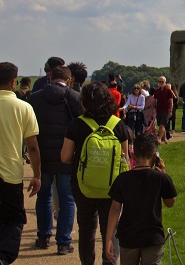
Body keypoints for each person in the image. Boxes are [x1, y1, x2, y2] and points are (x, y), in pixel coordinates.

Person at [61, 82, 130, 265]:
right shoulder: (118, 125)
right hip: (112, 186)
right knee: (110, 228)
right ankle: (109, 261)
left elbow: (65, 157)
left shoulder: (76, 124)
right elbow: (125, 161)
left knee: (86, 229)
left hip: (83, 185)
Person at [28, 65, 82, 255]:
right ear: (68, 80)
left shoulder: (35, 98)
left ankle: (43, 236)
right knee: (67, 198)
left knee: (44, 197)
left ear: (50, 78)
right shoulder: (74, 97)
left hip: (43, 155)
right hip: (66, 155)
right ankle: (63, 242)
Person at [105, 134, 177, 264]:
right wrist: (164, 174)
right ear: (155, 156)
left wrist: (108, 238)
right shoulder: (161, 178)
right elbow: (170, 203)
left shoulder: (122, 179)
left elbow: (115, 209)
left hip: (128, 237)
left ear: (133, 155)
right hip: (152, 237)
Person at [0, 62, 41, 265]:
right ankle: (4, 257)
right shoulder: (24, 107)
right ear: (14, 82)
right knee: (14, 219)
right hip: (10, 175)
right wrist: (37, 174)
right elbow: (32, 146)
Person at [153, 77, 174, 144]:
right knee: (161, 125)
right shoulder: (157, 91)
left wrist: (170, 110)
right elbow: (154, 100)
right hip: (159, 110)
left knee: (162, 125)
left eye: (162, 82)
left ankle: (159, 139)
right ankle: (164, 139)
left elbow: (171, 101)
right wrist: (154, 108)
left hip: (166, 110)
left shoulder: (168, 91)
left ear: (165, 82)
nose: (161, 83)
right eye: (160, 82)